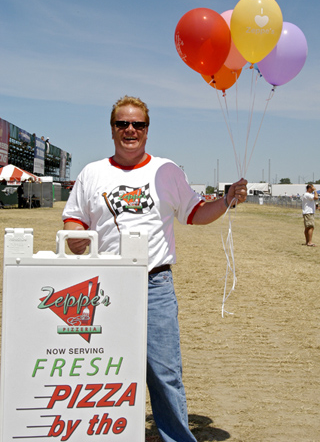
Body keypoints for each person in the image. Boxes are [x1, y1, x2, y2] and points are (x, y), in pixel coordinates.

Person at [62, 95, 247, 442]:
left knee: (164, 372)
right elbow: (74, 220)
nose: (130, 130)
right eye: (122, 124)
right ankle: (108, 432)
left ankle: (175, 437)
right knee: (103, 366)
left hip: (154, 285)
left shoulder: (166, 171)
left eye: (138, 124)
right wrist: (76, 237)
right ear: (112, 129)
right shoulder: (92, 173)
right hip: (104, 285)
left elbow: (195, 213)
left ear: (147, 130)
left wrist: (225, 201)